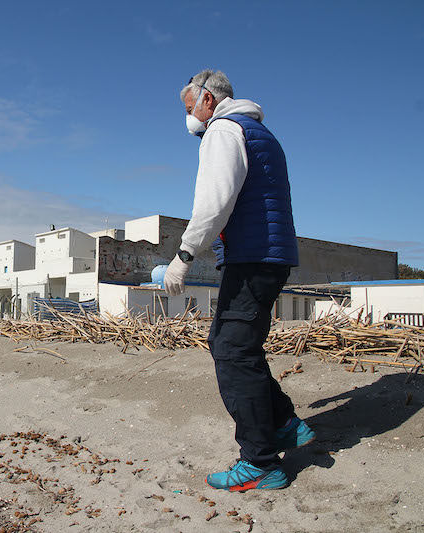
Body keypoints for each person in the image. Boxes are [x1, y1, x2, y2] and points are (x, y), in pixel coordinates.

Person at [164, 69, 315, 492]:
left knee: (231, 351)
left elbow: (215, 199)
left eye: (188, 106)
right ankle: (284, 424)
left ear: (207, 99)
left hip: (252, 256)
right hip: (269, 254)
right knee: (235, 345)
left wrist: (184, 256)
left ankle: (261, 463)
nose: (188, 116)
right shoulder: (258, 131)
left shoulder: (224, 129)